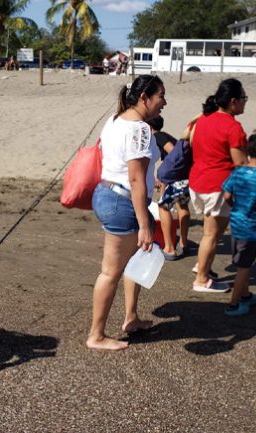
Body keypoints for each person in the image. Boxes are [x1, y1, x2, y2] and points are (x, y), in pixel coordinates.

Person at [87, 75, 166, 351]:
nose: (164, 103)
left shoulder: (115, 119)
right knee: (110, 272)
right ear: (144, 97)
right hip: (122, 202)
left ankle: (131, 318)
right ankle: (96, 335)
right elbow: (135, 179)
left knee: (133, 260)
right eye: (161, 96)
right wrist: (145, 223)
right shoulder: (140, 129)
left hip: (107, 193)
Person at [189, 78, 248, 293]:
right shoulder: (233, 127)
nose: (244, 102)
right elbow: (241, 164)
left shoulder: (204, 120)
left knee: (211, 231)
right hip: (217, 186)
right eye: (243, 98)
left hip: (198, 181)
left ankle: (203, 265)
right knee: (211, 234)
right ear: (233, 102)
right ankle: (202, 279)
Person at [221, 130, 256, 315]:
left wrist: (234, 205)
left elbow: (227, 194)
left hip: (235, 222)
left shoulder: (237, 172)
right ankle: (233, 304)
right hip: (251, 227)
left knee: (241, 262)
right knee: (245, 267)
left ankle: (245, 295)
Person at [147, 116, 192, 260]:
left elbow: (172, 152)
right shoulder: (164, 134)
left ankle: (169, 248)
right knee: (182, 206)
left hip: (175, 176)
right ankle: (184, 243)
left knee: (163, 206)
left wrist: (165, 171)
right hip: (186, 175)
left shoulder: (157, 135)